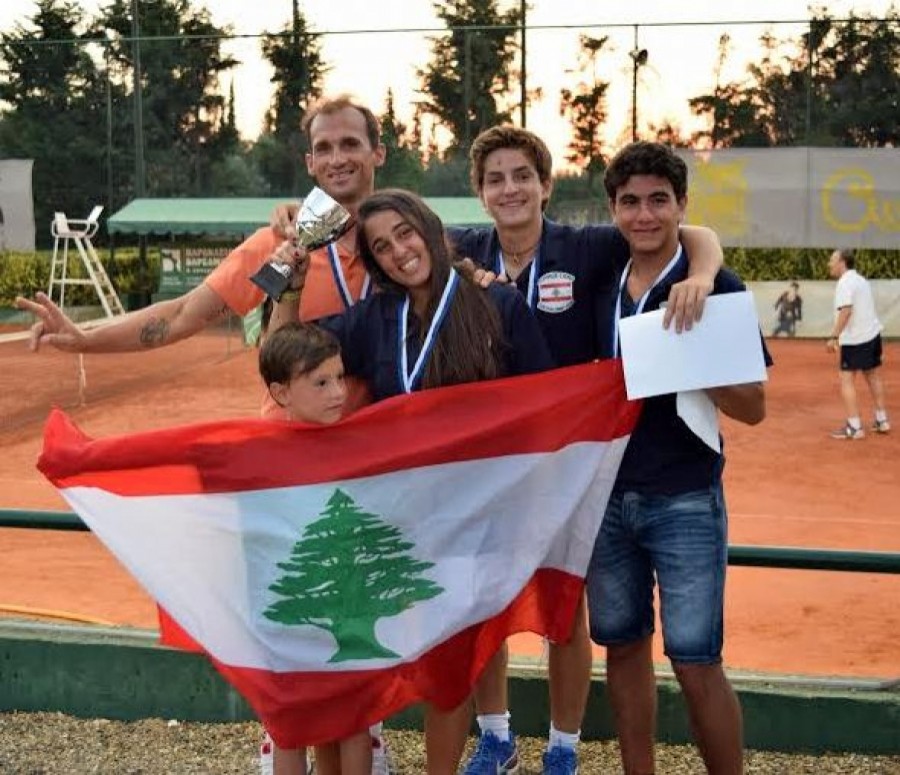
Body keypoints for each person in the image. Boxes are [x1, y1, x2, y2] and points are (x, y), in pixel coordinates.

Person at [15, 93, 394, 775]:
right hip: (279, 474)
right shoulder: (281, 248)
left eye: (351, 144)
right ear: (309, 162)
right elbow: (187, 313)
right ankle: (283, 738)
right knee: (286, 622)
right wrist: (84, 337)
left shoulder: (403, 244)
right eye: (325, 148)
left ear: (377, 153)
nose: (338, 157)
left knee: (357, 625)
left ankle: (362, 735)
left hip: (371, 469)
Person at [449, 125, 724, 775]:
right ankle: (496, 737)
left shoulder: (588, 246)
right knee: (484, 604)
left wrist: (705, 275)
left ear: (546, 185)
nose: (510, 189)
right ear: (480, 193)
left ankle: (563, 745)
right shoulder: (463, 249)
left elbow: (691, 234)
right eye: (495, 179)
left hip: (571, 462)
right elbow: (388, 241)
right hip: (492, 463)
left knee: (565, 607)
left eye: (523, 176)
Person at [269, 188, 555, 775]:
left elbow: (546, 406)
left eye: (405, 233)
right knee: (408, 660)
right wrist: (290, 285)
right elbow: (284, 357)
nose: (399, 251)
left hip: (477, 520)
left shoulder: (496, 305)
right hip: (400, 524)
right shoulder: (378, 317)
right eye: (381, 246)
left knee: (450, 665)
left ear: (428, 227)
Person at [587, 141, 769, 775]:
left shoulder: (717, 287)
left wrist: (699, 364)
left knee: (695, 661)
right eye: (630, 202)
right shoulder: (600, 278)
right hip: (607, 498)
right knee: (622, 647)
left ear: (681, 205)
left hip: (686, 498)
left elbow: (753, 408)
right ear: (613, 209)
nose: (645, 215)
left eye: (658, 201)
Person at [258, 321, 385, 775]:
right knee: (291, 726)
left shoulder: (359, 447)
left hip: (348, 606)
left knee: (352, 720)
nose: (338, 392)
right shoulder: (259, 456)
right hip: (291, 613)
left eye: (339, 378)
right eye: (321, 383)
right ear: (281, 393)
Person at [826, 249, 890, 439]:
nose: (830, 264)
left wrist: (834, 336)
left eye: (832, 260)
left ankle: (854, 427)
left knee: (846, 379)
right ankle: (882, 420)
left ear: (842, 262)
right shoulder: (861, 280)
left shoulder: (845, 282)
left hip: (856, 339)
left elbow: (846, 310)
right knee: (873, 376)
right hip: (872, 334)